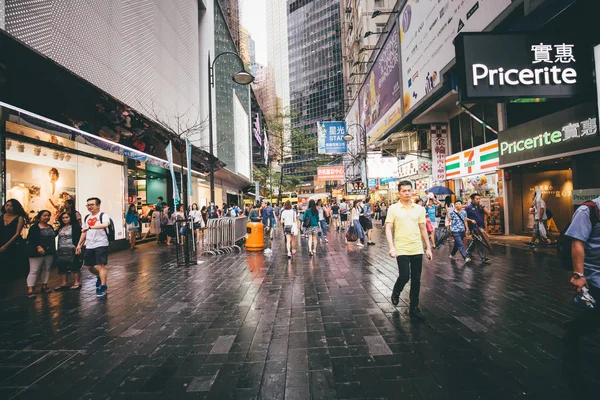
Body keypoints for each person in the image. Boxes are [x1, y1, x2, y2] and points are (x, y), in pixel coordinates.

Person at [386, 181, 433, 320]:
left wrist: (428, 248)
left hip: (417, 247)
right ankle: (396, 291)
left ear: (412, 191)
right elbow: (388, 227)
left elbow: (423, 228)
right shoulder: (393, 208)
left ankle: (414, 307)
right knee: (405, 275)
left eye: (409, 190)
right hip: (402, 247)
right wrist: (391, 246)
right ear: (399, 193)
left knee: (417, 279)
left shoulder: (419, 209)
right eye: (404, 191)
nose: (407, 193)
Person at [564, 195, 600, 349]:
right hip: (594, 272)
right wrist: (578, 275)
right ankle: (574, 330)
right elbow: (577, 243)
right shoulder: (588, 210)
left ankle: (575, 327)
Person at [76, 197, 111, 298]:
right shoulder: (87, 217)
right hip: (89, 245)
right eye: (88, 205)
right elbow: (84, 232)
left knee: (101, 266)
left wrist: (90, 227)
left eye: (92, 205)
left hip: (101, 244)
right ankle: (99, 276)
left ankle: (103, 287)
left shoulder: (103, 215)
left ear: (98, 205)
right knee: (89, 266)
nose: (89, 207)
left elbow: (105, 225)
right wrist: (79, 244)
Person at [26, 210, 55, 298]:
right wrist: (38, 247)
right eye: (44, 215)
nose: (47, 217)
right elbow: (31, 238)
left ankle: (44, 285)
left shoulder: (50, 227)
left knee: (47, 268)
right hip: (36, 252)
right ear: (40, 217)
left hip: (49, 251)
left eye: (48, 215)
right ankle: (30, 288)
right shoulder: (34, 227)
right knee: (34, 270)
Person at [1, 199, 28, 280]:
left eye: (11, 206)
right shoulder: (1, 216)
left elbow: (17, 233)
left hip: (13, 243)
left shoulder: (19, 218)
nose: (8, 208)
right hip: (1, 240)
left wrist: (6, 245)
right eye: (7, 205)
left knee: (11, 262)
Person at [54, 212, 82, 290]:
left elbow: (81, 237)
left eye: (67, 217)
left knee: (75, 265)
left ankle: (77, 282)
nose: (65, 219)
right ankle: (64, 283)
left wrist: (79, 247)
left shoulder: (76, 227)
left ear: (71, 218)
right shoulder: (60, 227)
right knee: (62, 266)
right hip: (61, 249)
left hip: (72, 249)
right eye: (63, 218)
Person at [464, 193, 492, 264]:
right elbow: (465, 218)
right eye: (477, 199)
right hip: (473, 228)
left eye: (479, 199)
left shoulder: (480, 207)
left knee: (476, 240)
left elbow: (488, 213)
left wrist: (483, 206)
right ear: (473, 199)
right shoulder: (468, 208)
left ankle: (468, 252)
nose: (478, 200)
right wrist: (467, 228)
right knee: (478, 241)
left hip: (481, 227)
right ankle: (483, 257)